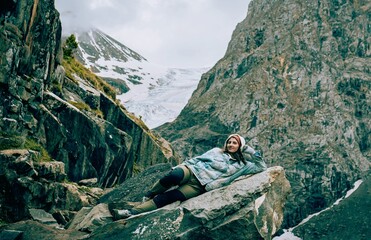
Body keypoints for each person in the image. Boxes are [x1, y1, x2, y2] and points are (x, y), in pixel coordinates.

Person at [113, 133, 267, 220]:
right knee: (173, 176)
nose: (231, 144)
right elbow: (198, 159)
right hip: (192, 171)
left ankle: (130, 213)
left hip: (199, 186)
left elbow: (261, 167)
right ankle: (150, 194)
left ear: (240, 146)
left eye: (235, 143)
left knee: (170, 197)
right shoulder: (216, 151)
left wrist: (248, 149)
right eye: (229, 142)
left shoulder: (243, 165)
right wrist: (182, 166)